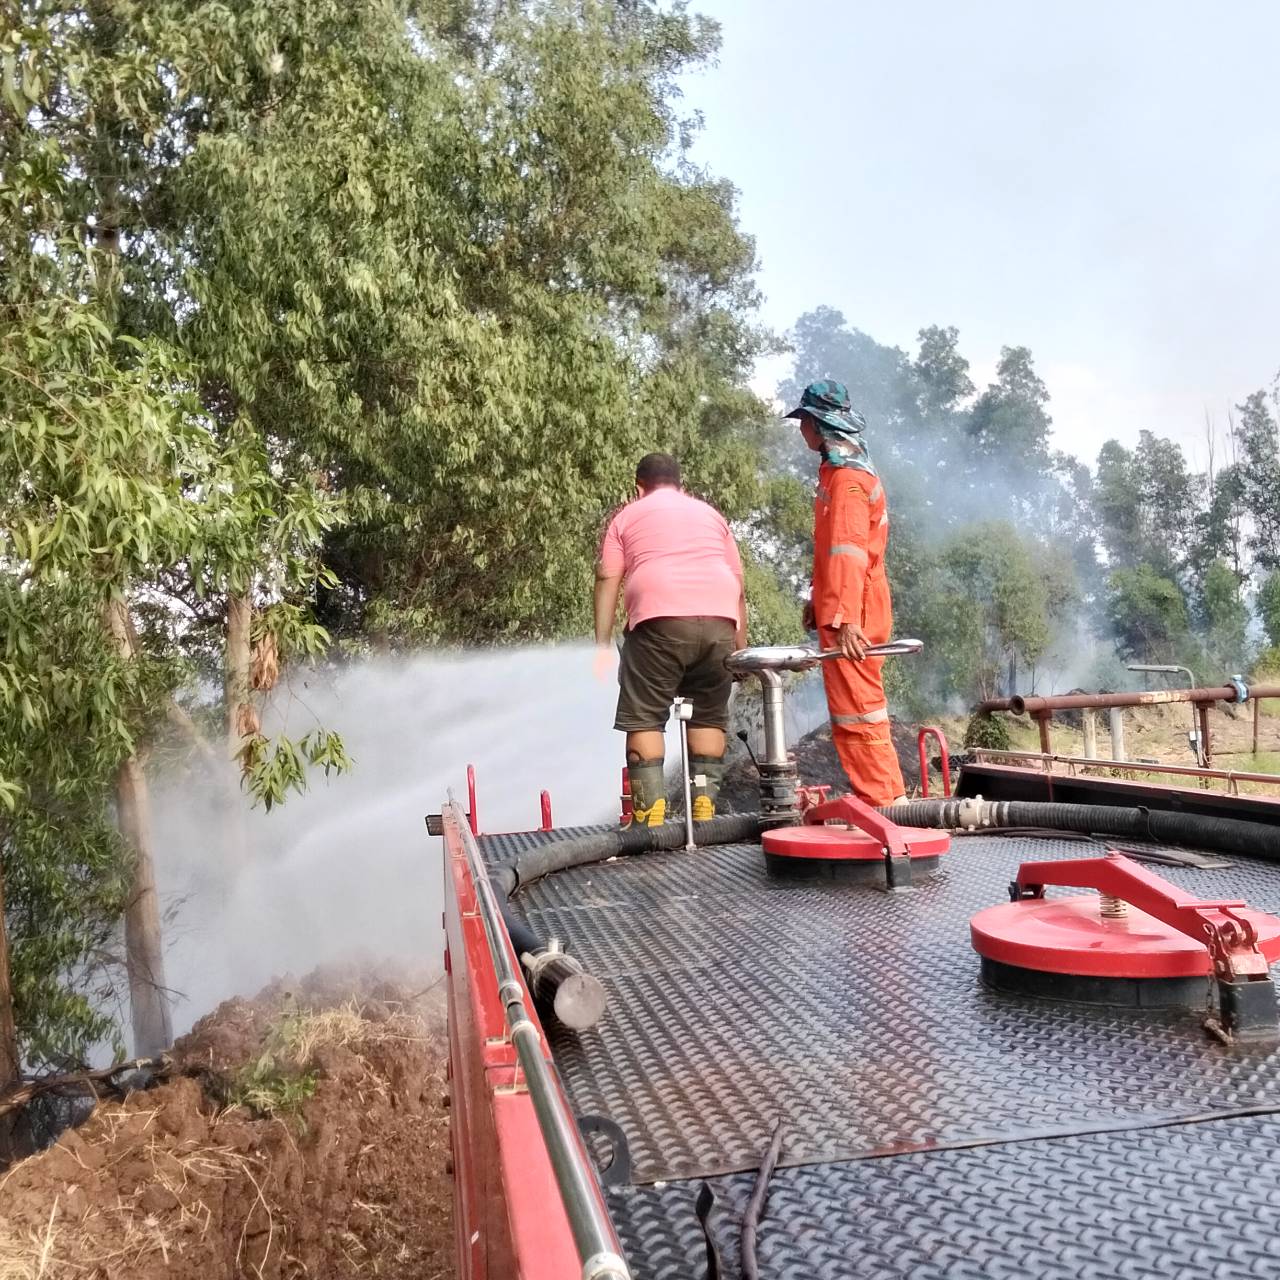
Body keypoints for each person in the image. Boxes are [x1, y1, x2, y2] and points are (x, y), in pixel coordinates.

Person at [594, 453, 747, 827]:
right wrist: (740, 649)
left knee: (645, 716)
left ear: (638, 488)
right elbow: (738, 585)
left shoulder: (627, 516)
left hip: (658, 619)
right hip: (721, 619)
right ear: (681, 486)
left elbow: (607, 578)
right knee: (708, 715)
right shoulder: (711, 515)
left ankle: (649, 820)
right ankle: (704, 810)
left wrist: (601, 644)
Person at [786, 380, 906, 806]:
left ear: (819, 424)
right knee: (856, 708)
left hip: (853, 612)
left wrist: (846, 617)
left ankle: (885, 804)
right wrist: (817, 599)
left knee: (859, 710)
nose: (801, 429)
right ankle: (886, 800)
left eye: (804, 420)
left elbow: (850, 552)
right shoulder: (843, 472)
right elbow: (834, 550)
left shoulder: (848, 481)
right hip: (846, 605)